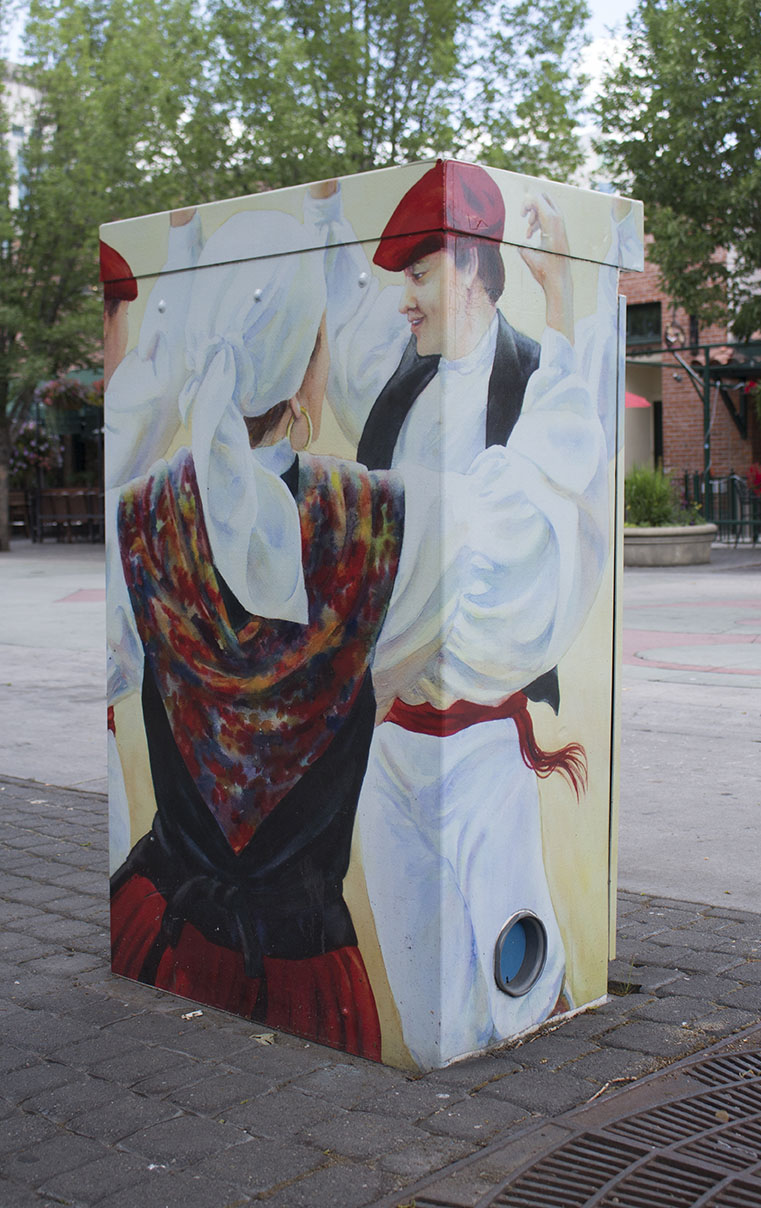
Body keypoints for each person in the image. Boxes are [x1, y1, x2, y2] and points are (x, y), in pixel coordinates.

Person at [306, 161, 610, 1066]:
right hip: (391, 742)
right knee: (417, 969)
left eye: (418, 273)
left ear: (475, 269)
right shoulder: (400, 382)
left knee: (512, 976)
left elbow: (560, 461)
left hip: (484, 747)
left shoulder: (532, 381)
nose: (402, 299)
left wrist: (563, 305)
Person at [106, 211, 406, 1059]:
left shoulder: (137, 513)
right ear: (310, 371)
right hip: (309, 978)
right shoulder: (382, 517)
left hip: (152, 936)